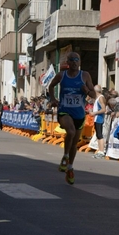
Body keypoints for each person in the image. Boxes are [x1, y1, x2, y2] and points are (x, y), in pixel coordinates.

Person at [48, 51, 96, 185]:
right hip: (64, 111)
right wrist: (52, 99)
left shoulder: (85, 75)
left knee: (74, 143)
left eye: (77, 60)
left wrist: (85, 90)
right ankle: (65, 156)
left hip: (79, 114)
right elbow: (51, 85)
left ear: (79, 62)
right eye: (72, 60)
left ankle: (70, 168)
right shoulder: (61, 75)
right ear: (67, 63)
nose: (75, 62)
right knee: (71, 131)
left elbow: (94, 95)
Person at [90, 85, 107, 159]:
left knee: (100, 135)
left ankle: (102, 151)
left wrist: (94, 113)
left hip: (99, 118)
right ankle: (100, 150)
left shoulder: (101, 98)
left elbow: (103, 109)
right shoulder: (97, 98)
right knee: (98, 135)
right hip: (97, 118)